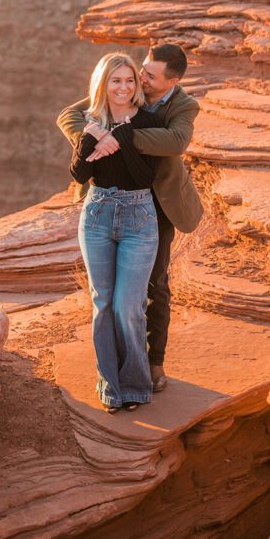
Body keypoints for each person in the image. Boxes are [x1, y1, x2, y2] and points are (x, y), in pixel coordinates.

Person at [57, 43, 203, 394]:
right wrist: (96, 139)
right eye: (144, 69)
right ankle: (116, 371)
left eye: (150, 75)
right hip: (109, 199)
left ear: (173, 81)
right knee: (108, 298)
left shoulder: (184, 105)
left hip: (158, 203)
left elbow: (176, 141)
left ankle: (154, 364)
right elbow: (70, 116)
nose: (140, 78)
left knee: (154, 287)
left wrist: (121, 137)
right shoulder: (123, 87)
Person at [70, 52, 163, 413]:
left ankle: (136, 385)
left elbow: (144, 178)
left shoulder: (148, 120)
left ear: (136, 85)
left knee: (128, 306)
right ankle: (110, 385)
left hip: (138, 217)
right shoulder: (91, 121)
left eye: (129, 80)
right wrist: (92, 134)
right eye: (115, 80)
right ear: (102, 84)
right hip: (97, 216)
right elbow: (79, 174)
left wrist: (121, 136)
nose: (123, 87)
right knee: (103, 304)